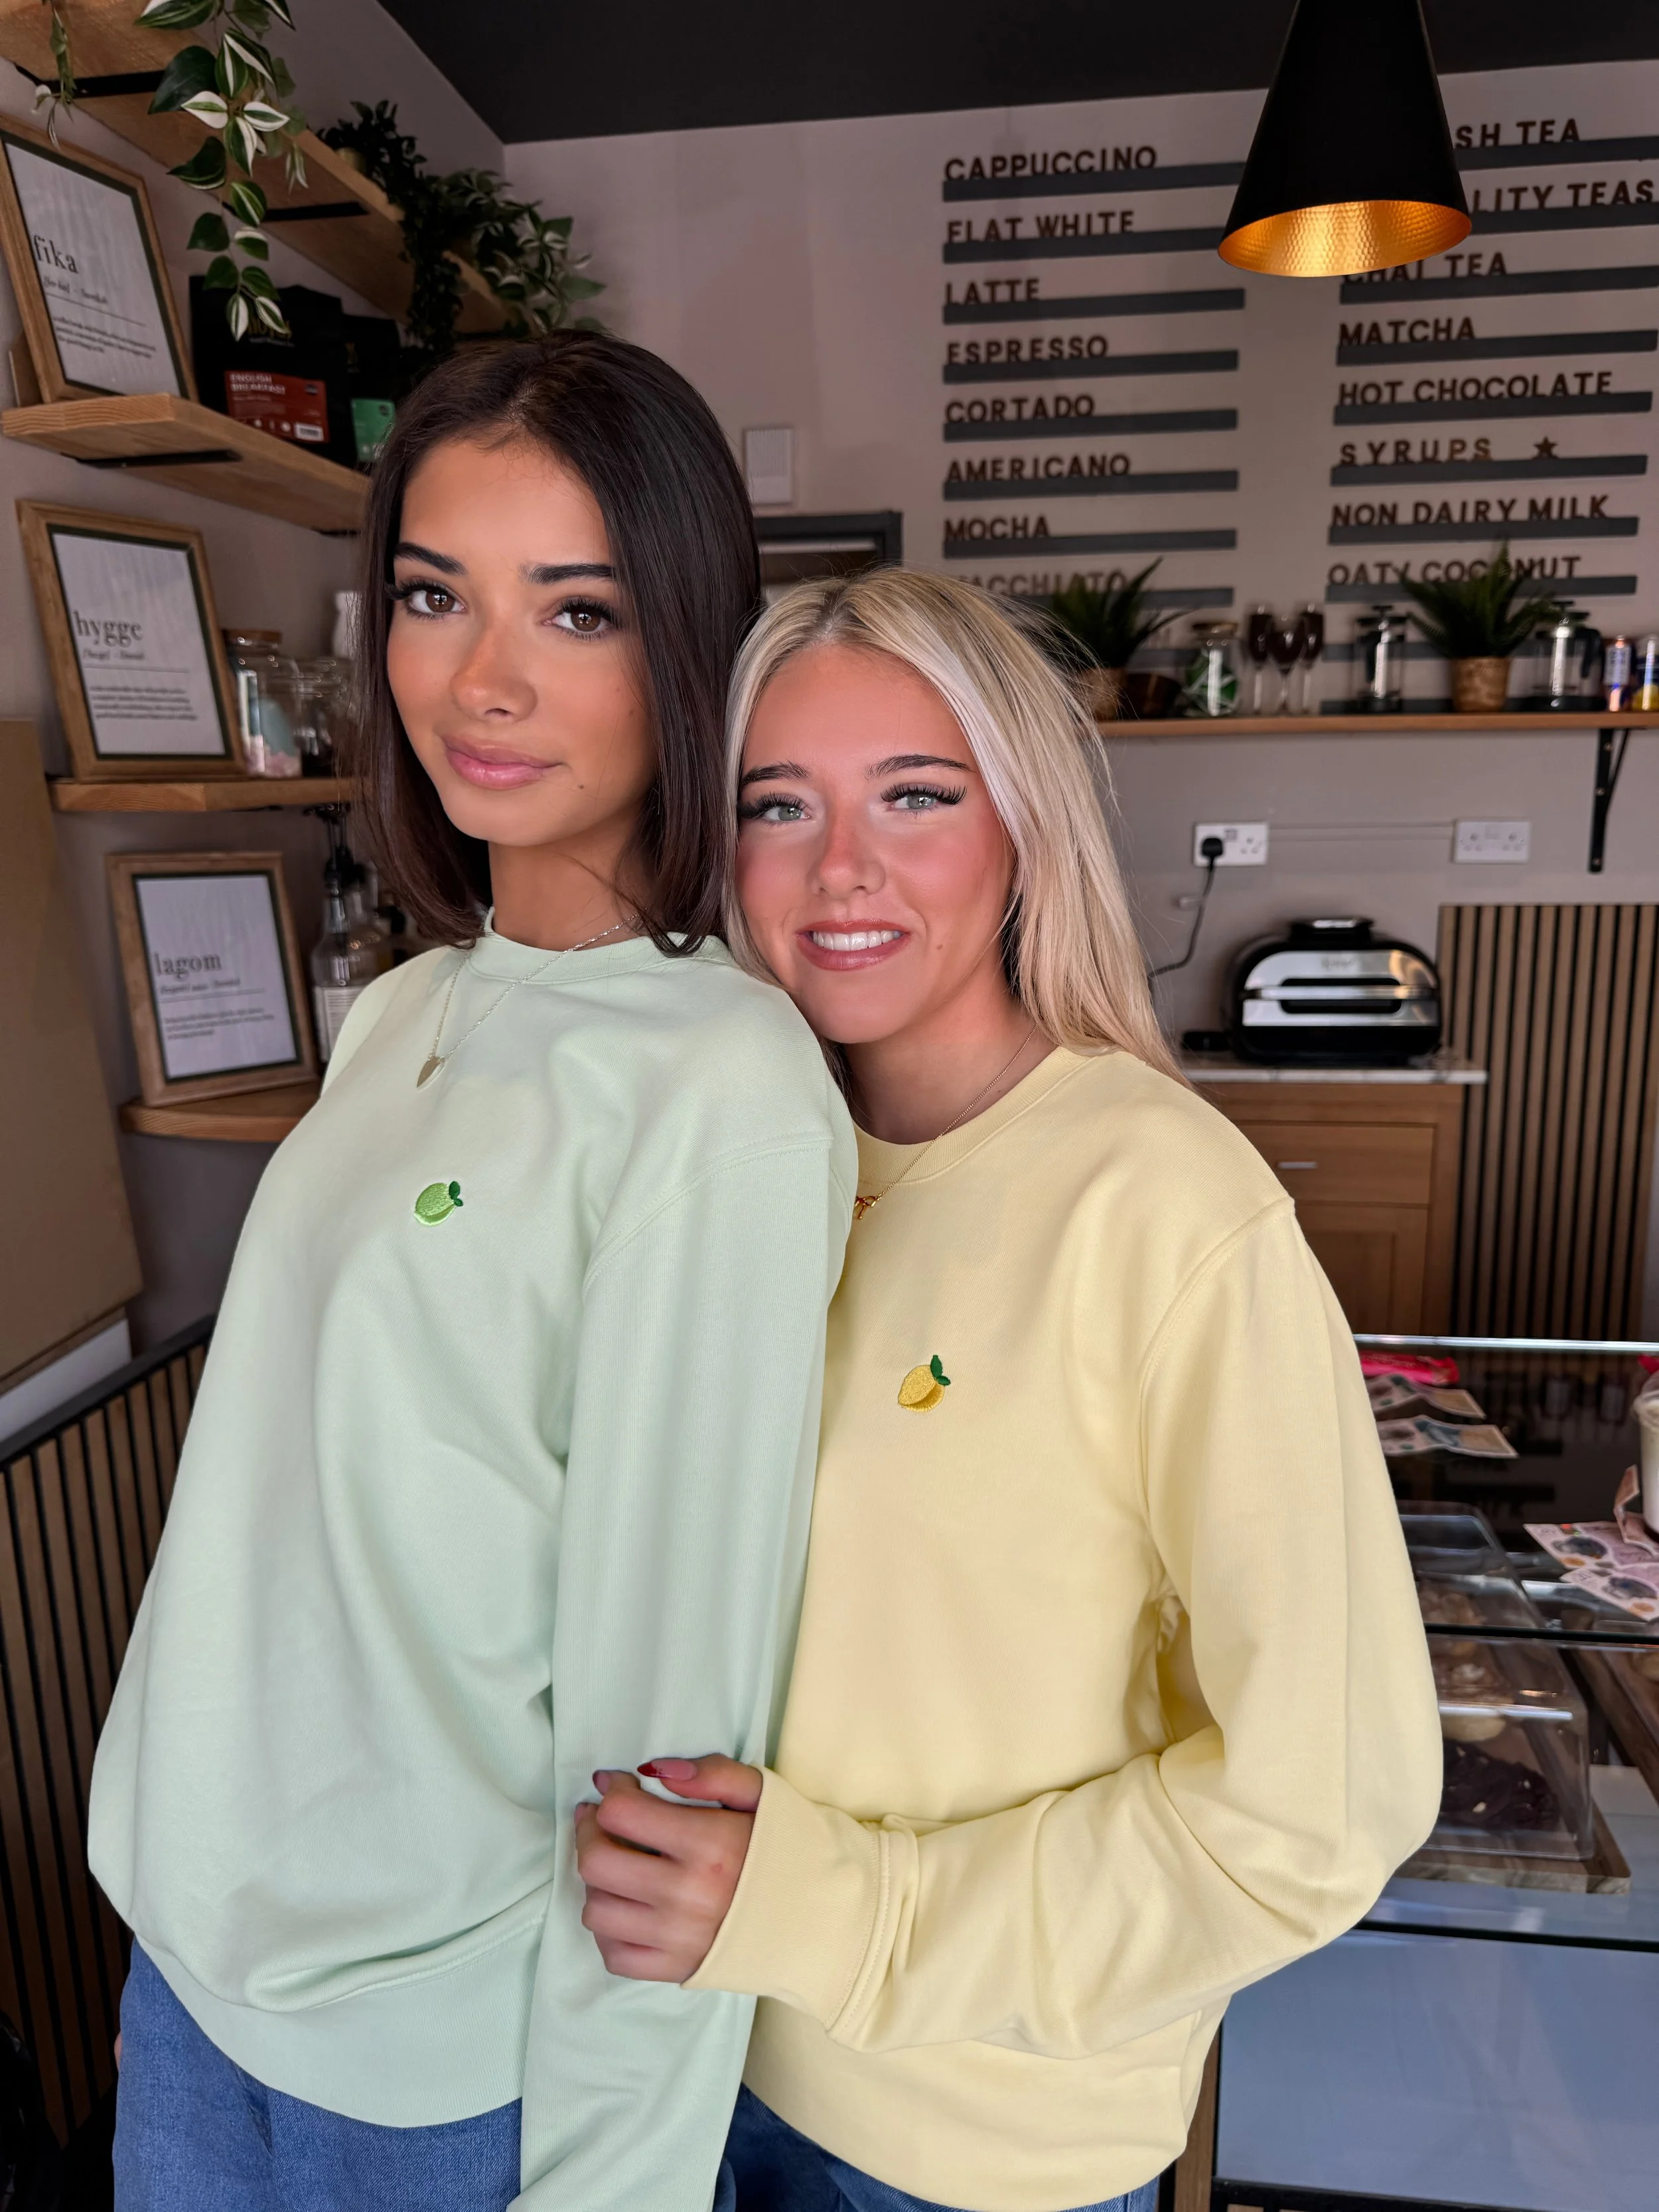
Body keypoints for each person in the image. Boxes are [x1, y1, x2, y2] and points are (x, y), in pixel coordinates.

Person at [89, 334, 855, 2212]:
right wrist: (173, 1920)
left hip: (440, 2069)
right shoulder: (412, 1008)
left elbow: (677, 1709)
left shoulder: (721, 1085)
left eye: (574, 610)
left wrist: (610, 2182)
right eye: (433, 594)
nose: (481, 678)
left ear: (683, 644)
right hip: (206, 1980)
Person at [574, 567, 1443, 2212]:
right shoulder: (754, 1168)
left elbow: (1325, 1804)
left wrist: (850, 1915)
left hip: (970, 2146)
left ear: (1021, 829)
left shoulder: (1166, 1211)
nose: (840, 868)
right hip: (684, 2056)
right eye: (780, 804)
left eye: (914, 794)